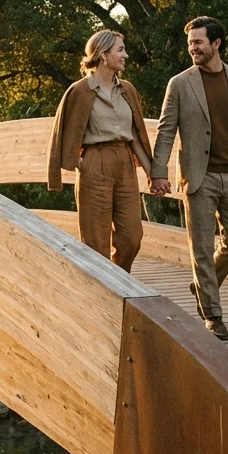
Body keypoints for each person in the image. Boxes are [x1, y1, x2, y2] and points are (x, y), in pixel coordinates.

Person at [148, 16, 228, 340]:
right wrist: (159, 172)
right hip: (199, 178)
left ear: (216, 43)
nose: (192, 48)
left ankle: (201, 284)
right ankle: (213, 314)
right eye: (190, 43)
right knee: (200, 247)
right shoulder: (180, 83)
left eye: (198, 42)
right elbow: (166, 130)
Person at [47, 29, 155, 272]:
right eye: (120, 50)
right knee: (96, 242)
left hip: (125, 163)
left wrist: (152, 173)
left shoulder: (127, 89)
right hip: (95, 163)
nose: (125, 55)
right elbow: (66, 129)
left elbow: (136, 135)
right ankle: (104, 291)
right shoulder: (81, 90)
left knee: (132, 238)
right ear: (104, 55)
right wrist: (78, 163)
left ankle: (118, 278)